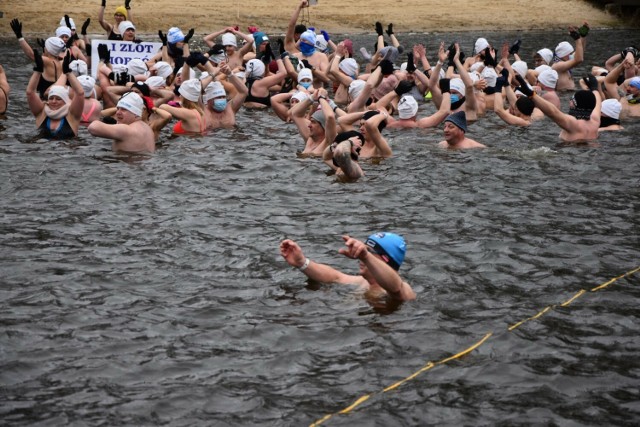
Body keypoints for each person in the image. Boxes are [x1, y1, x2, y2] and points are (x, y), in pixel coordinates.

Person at [279, 233, 416, 302]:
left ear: (385, 260)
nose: (361, 255)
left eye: (369, 251)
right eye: (364, 249)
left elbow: (396, 288)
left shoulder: (403, 289)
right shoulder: (363, 282)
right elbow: (335, 276)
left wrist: (366, 257)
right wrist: (301, 262)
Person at [516, 74, 602, 142]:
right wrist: (594, 89)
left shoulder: (573, 123)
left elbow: (552, 112)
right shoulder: (595, 120)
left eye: (572, 100)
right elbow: (598, 103)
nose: (569, 102)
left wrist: (532, 95)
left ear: (574, 104)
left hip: (569, 153)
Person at [26, 51, 84, 140]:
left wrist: (68, 72)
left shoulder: (72, 114)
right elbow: (30, 93)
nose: (53, 101)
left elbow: (80, 93)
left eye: (58, 99)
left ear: (65, 100)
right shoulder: (42, 112)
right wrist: (38, 71)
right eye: (51, 98)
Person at [88, 91, 155, 153]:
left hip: (124, 164)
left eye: (124, 109)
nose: (118, 113)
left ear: (135, 113)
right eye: (117, 108)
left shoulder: (127, 130)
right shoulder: (148, 129)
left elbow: (93, 127)